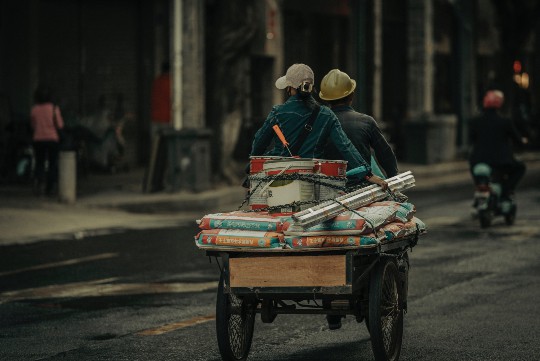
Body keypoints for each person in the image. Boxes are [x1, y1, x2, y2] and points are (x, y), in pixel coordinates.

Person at [250, 63, 387, 192]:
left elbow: (259, 142)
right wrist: (367, 174)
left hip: (279, 181)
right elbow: (346, 146)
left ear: (290, 88)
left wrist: (252, 169)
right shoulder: (326, 114)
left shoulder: (277, 112)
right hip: (315, 184)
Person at [319, 69, 398, 179]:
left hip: (328, 185)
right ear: (351, 95)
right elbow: (386, 155)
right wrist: (393, 178)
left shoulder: (318, 125)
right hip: (362, 184)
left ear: (326, 99)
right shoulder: (366, 122)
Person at [469, 90, 527, 200]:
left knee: (475, 169)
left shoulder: (475, 121)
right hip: (501, 162)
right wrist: (523, 142)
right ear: (500, 104)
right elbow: (517, 140)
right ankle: (506, 192)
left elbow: (471, 140)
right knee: (520, 168)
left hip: (478, 160)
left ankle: (481, 187)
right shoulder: (505, 122)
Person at [30, 85, 64, 196]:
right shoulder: (54, 109)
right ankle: (49, 188)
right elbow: (60, 125)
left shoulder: (34, 109)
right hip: (52, 140)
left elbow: (33, 126)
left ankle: (39, 184)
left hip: (38, 139)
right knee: (52, 164)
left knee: (39, 163)